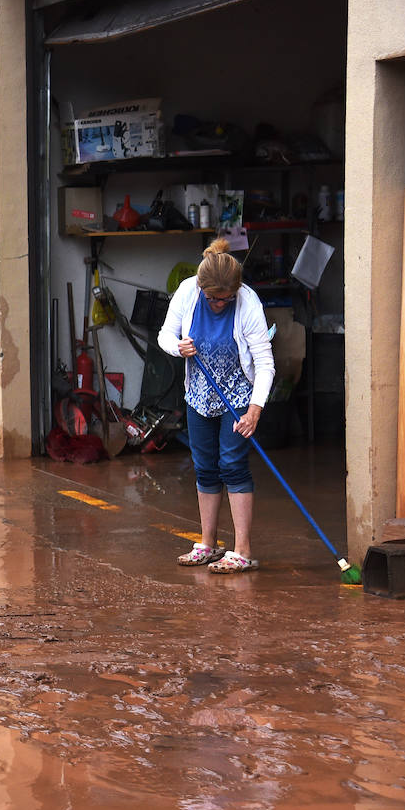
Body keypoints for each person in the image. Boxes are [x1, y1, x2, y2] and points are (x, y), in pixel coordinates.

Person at [157, 237, 276, 573]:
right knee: (205, 467)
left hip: (237, 396)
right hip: (199, 395)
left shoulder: (248, 302)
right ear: (201, 287)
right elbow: (165, 335)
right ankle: (208, 544)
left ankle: (243, 550)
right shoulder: (188, 291)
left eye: (226, 299)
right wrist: (178, 347)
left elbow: (264, 363)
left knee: (232, 465)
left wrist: (255, 409)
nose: (219, 304)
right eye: (213, 299)